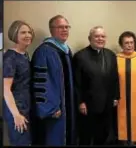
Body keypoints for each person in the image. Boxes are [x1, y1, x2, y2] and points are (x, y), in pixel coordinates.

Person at [31, 15, 76, 146]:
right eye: (60, 27)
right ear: (52, 30)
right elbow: (41, 83)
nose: (65, 30)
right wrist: (50, 108)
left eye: (67, 27)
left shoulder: (66, 50)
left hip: (67, 107)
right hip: (54, 111)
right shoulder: (44, 51)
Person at [73, 26, 120, 145]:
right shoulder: (80, 56)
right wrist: (80, 102)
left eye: (103, 36)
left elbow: (115, 78)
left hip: (107, 102)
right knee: (86, 136)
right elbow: (77, 82)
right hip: (88, 104)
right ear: (90, 38)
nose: (100, 39)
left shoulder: (111, 55)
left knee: (103, 134)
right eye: (97, 36)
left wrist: (116, 96)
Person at [3, 20, 34, 146]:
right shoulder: (10, 57)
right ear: (15, 35)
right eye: (23, 32)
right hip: (16, 108)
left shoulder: (25, 54)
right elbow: (6, 89)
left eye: (29, 32)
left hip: (26, 106)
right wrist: (16, 115)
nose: (27, 35)